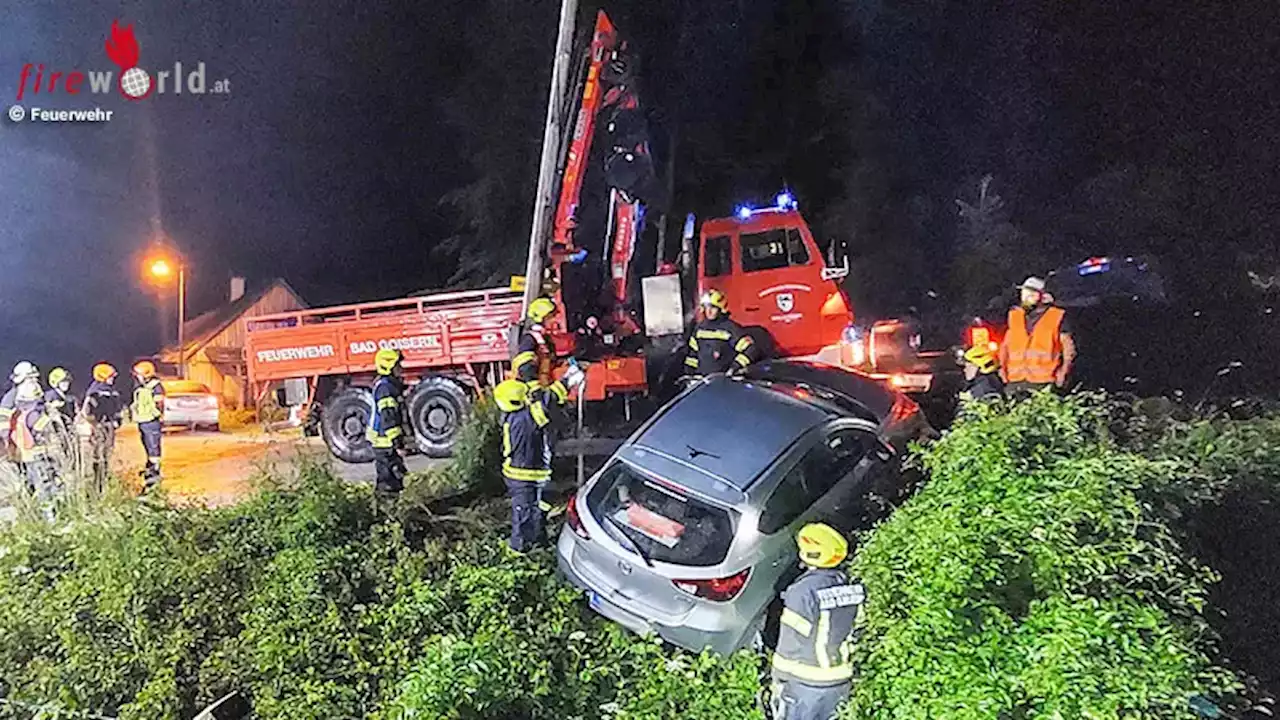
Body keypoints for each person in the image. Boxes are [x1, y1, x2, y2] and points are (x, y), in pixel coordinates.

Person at [770, 522, 865, 720]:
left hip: (805, 684)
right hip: (840, 680)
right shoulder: (853, 588)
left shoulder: (802, 593)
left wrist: (778, 677)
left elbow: (791, 641)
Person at [494, 366, 583, 554]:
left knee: (541, 505)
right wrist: (567, 380)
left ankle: (539, 540)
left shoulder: (515, 416)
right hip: (523, 478)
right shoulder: (524, 420)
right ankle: (518, 551)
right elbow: (546, 403)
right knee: (523, 514)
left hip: (532, 474)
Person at [999, 276, 1076, 393]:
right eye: (1023, 294)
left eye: (1030, 294)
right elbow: (1005, 346)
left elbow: (1068, 349)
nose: (1025, 298)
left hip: (1044, 380)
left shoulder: (1057, 316)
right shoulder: (1014, 315)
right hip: (1015, 380)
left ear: (1044, 297)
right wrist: (1002, 370)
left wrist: (1063, 373)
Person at [5, 363, 58, 519]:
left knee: (39, 485)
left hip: (31, 451)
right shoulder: (15, 398)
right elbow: (6, 422)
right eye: (31, 378)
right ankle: (47, 518)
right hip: (29, 451)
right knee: (41, 485)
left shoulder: (29, 399)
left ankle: (38, 517)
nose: (34, 382)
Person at [366, 348, 408, 503]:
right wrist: (397, 444)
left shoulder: (388, 386)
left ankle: (389, 513)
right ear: (389, 366)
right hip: (385, 443)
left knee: (394, 480)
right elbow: (388, 418)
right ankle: (384, 514)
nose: (401, 368)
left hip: (385, 442)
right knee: (387, 482)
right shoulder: (385, 388)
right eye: (398, 365)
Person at [684, 289, 756, 377]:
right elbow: (692, 354)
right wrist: (689, 373)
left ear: (721, 309)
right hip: (702, 382)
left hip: (724, 381)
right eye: (706, 307)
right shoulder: (699, 329)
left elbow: (750, 350)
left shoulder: (731, 329)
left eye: (713, 307)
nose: (709, 311)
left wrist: (734, 368)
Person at [82, 363, 124, 492]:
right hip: (100, 427)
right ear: (102, 376)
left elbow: (117, 408)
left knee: (107, 454)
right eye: (110, 376)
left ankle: (104, 478)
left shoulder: (113, 391)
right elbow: (87, 412)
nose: (113, 378)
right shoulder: (95, 392)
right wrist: (96, 425)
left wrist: (117, 420)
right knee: (98, 454)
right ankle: (98, 483)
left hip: (109, 426)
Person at [130, 360, 166, 490]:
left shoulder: (155, 386)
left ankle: (153, 480)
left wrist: (159, 415)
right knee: (148, 450)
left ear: (146, 374)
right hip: (143, 421)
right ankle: (149, 476)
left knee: (154, 452)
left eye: (138, 374)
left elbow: (159, 403)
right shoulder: (141, 386)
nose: (136, 376)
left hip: (151, 422)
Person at [512, 296, 560, 390]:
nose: (555, 319)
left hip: (547, 385)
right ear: (543, 318)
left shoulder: (544, 339)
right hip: (536, 389)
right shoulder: (530, 339)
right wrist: (535, 389)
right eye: (552, 316)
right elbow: (525, 367)